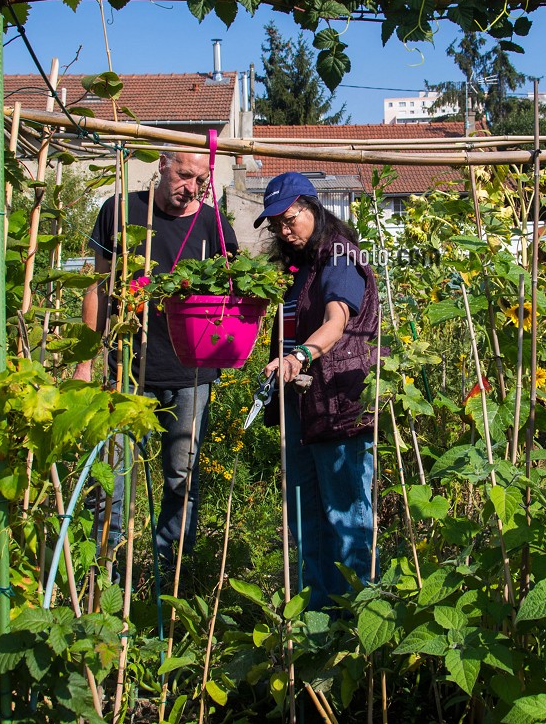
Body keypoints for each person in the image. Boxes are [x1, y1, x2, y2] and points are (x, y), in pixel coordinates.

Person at [75, 150, 238, 575]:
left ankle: (173, 574)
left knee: (181, 477)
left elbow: (234, 295)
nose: (191, 188)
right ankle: (103, 574)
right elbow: (98, 285)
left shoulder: (212, 224)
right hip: (127, 365)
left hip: (192, 373)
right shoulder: (122, 210)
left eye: (201, 181)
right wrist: (86, 360)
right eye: (184, 175)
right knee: (113, 475)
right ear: (162, 164)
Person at [258, 172, 380, 611]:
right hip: (303, 408)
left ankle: (357, 625)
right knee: (307, 521)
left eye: (289, 220)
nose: (284, 231)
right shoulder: (299, 266)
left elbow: (336, 320)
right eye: (276, 226)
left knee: (346, 522)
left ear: (311, 207)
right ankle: (318, 625)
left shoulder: (340, 254)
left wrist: (299, 357)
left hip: (338, 405)